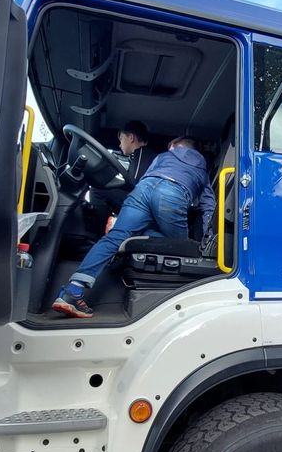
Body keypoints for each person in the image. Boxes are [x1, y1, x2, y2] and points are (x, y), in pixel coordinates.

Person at [54, 136, 216, 318]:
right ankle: (141, 240)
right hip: (172, 194)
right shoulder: (201, 165)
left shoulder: (162, 156)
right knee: (182, 248)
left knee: (114, 238)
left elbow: (148, 182)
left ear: (173, 146)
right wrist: (208, 237)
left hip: (142, 190)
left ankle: (72, 291)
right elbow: (208, 204)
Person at [87, 120, 155, 233]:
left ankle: (96, 233)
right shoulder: (138, 156)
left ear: (131, 138)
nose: (119, 145)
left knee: (97, 189)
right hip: (142, 200)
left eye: (121, 139)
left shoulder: (142, 153)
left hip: (142, 202)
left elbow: (134, 184)